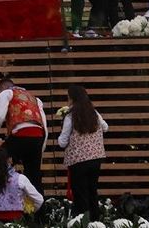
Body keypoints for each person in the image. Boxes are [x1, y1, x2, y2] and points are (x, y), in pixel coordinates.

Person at [0, 77, 47, 195]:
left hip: (20, 135)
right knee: (34, 176)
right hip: (38, 137)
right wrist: (41, 147)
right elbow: (44, 123)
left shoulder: (6, 93)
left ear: (1, 89)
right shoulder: (34, 98)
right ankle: (39, 210)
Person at [56, 85, 106, 222]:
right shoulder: (94, 113)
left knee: (80, 194)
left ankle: (83, 221)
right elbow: (105, 127)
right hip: (96, 158)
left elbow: (62, 141)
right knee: (92, 191)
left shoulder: (70, 116)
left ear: (72, 98)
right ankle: (96, 222)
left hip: (77, 161)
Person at [0, 145, 42, 223]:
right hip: (17, 221)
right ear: (10, 159)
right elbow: (39, 199)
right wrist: (30, 210)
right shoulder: (21, 178)